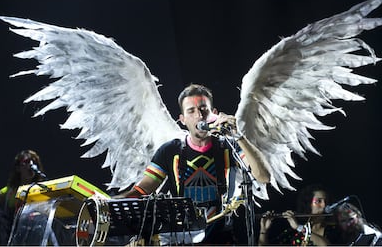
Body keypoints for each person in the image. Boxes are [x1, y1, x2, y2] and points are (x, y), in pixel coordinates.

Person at [115, 83, 271, 245]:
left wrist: (238, 135)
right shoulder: (170, 151)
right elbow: (143, 189)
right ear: (182, 119)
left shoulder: (229, 146)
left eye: (204, 109)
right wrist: (111, 201)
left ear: (214, 114)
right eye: (191, 111)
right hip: (180, 239)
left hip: (220, 239)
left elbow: (263, 176)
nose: (199, 115)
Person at [0, 149, 46, 245]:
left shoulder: (42, 189)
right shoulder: (10, 190)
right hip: (9, 238)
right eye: (26, 161)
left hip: (32, 236)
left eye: (35, 162)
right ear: (18, 168)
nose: (32, 164)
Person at [258, 184, 340, 246]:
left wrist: (299, 227)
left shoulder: (333, 229)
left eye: (326, 201)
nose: (324, 205)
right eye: (319, 201)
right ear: (308, 204)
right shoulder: (293, 232)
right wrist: (263, 230)